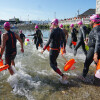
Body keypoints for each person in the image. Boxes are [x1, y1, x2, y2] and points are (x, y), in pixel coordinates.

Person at [79, 14, 100, 81]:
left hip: (93, 49)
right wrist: (89, 39)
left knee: (86, 63)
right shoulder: (97, 28)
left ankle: (83, 76)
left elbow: (98, 40)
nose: (89, 22)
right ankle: (96, 78)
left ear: (93, 21)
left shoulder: (96, 28)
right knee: (97, 64)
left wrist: (95, 53)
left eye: (90, 21)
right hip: (95, 48)